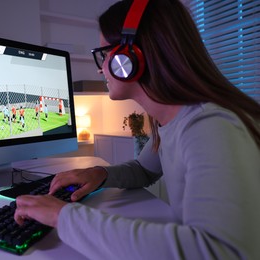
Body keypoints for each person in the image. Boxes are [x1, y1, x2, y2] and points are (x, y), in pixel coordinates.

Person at [14, 0, 260, 259]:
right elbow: (144, 170)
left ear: (129, 58)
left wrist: (63, 217)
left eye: (105, 55)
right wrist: (100, 174)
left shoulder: (211, 127)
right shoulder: (171, 120)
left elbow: (217, 251)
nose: (101, 68)